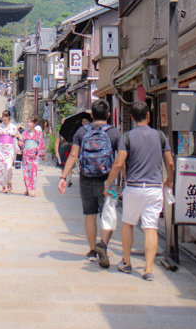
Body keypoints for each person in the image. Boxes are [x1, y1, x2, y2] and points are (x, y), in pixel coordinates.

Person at [104, 101, 174, 281]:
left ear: (132, 117)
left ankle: (126, 263)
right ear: (149, 116)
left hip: (134, 187)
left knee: (128, 223)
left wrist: (108, 184)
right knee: (150, 227)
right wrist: (170, 180)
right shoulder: (160, 136)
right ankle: (148, 269)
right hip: (154, 188)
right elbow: (170, 162)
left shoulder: (127, 137)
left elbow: (119, 163)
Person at [58, 100, 121, 267]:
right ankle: (104, 246)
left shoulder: (81, 131)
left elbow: (73, 156)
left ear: (91, 115)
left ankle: (92, 250)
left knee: (90, 214)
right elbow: (121, 160)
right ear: (108, 115)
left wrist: (63, 177)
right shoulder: (114, 133)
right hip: (107, 181)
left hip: (85, 178)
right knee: (107, 213)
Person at [0, 110, 20, 193]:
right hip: (1, 148)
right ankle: (4, 185)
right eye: (3, 116)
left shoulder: (13, 127)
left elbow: (15, 138)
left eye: (6, 116)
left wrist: (17, 148)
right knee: (1, 168)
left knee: (8, 167)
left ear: (9, 117)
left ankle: (9, 181)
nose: (5, 118)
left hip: (10, 149)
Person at [21, 120, 45, 197]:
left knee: (33, 171)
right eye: (28, 122)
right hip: (26, 154)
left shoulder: (37, 134)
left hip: (34, 154)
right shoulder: (24, 133)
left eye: (31, 122)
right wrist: (20, 144)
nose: (29, 123)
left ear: (34, 124)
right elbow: (22, 143)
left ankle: (33, 190)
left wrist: (42, 154)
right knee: (26, 171)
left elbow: (41, 143)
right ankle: (27, 189)